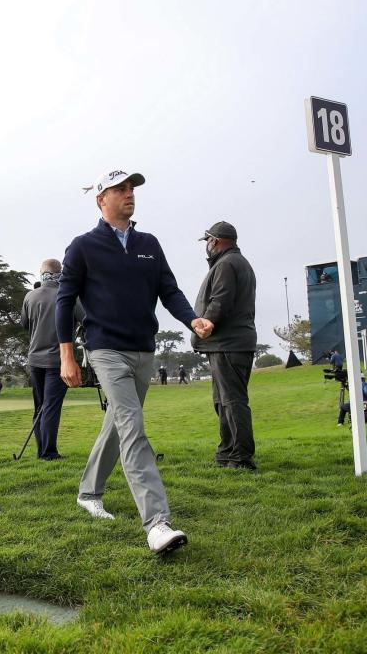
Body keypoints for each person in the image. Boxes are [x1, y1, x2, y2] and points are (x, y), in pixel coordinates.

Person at [56, 170, 213, 554]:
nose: (129, 194)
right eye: (120, 189)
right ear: (101, 200)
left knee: (118, 422)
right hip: (104, 348)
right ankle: (157, 523)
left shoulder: (149, 244)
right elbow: (64, 301)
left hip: (144, 349)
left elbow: (169, 291)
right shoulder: (83, 246)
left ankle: (88, 492)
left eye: (132, 189)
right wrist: (67, 355)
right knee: (132, 424)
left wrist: (192, 318)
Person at [192, 221, 258, 470]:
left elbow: (220, 301)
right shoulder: (234, 262)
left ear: (215, 241)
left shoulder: (227, 264)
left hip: (229, 343)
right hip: (227, 344)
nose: (207, 246)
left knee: (232, 401)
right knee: (223, 401)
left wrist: (205, 323)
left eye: (208, 241)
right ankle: (227, 452)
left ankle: (241, 458)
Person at [21, 258, 84, 461]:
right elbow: (86, 320)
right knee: (51, 406)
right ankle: (49, 452)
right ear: (61, 273)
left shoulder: (30, 296)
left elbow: (25, 324)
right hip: (58, 361)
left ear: (42, 274)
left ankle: (42, 450)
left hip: (34, 359)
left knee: (40, 405)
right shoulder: (68, 296)